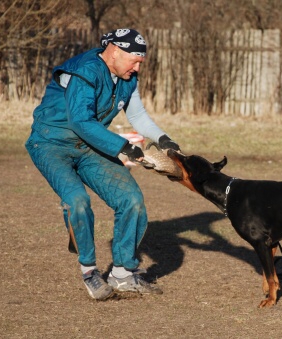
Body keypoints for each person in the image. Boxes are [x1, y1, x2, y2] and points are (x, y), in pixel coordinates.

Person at [25, 28, 180, 300]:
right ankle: (89, 272)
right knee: (77, 200)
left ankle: (122, 274)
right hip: (50, 144)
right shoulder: (85, 71)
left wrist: (164, 140)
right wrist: (124, 148)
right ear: (115, 51)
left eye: (140, 62)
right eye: (135, 60)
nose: (138, 66)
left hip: (90, 146)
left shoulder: (127, 77)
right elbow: (80, 121)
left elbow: (139, 116)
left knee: (130, 199)